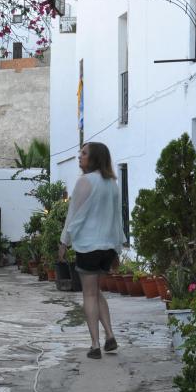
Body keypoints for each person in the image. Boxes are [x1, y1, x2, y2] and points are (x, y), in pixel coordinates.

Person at [58, 141, 126, 359]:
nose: (79, 156)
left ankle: (95, 345)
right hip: (107, 247)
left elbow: (73, 216)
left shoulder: (84, 182)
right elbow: (118, 219)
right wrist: (117, 248)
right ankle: (110, 335)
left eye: (84, 153)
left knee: (88, 294)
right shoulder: (112, 184)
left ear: (94, 158)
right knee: (96, 292)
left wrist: (63, 242)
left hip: (88, 247)